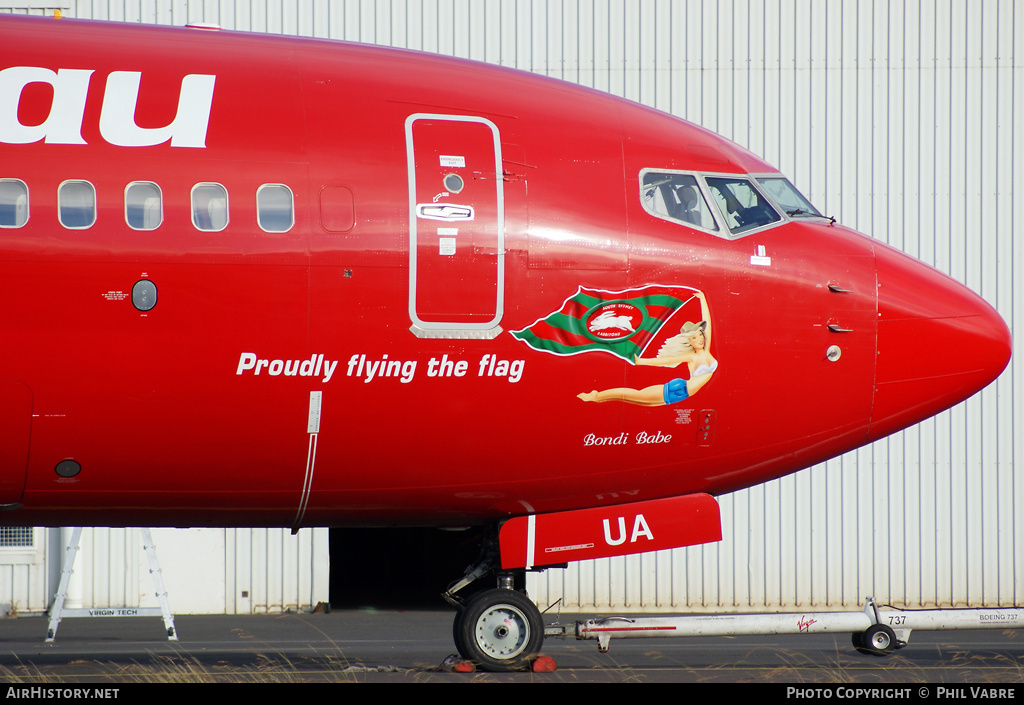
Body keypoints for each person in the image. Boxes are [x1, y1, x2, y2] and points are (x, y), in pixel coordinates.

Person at [578, 291, 716, 406]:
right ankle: (596, 396)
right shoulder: (692, 356)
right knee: (636, 395)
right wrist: (642, 362)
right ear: (689, 342)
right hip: (680, 389)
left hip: (682, 393)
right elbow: (668, 360)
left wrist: (702, 298)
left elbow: (707, 323)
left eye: (700, 335)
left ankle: (599, 398)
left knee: (639, 401)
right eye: (694, 338)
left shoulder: (705, 351)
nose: (700, 339)